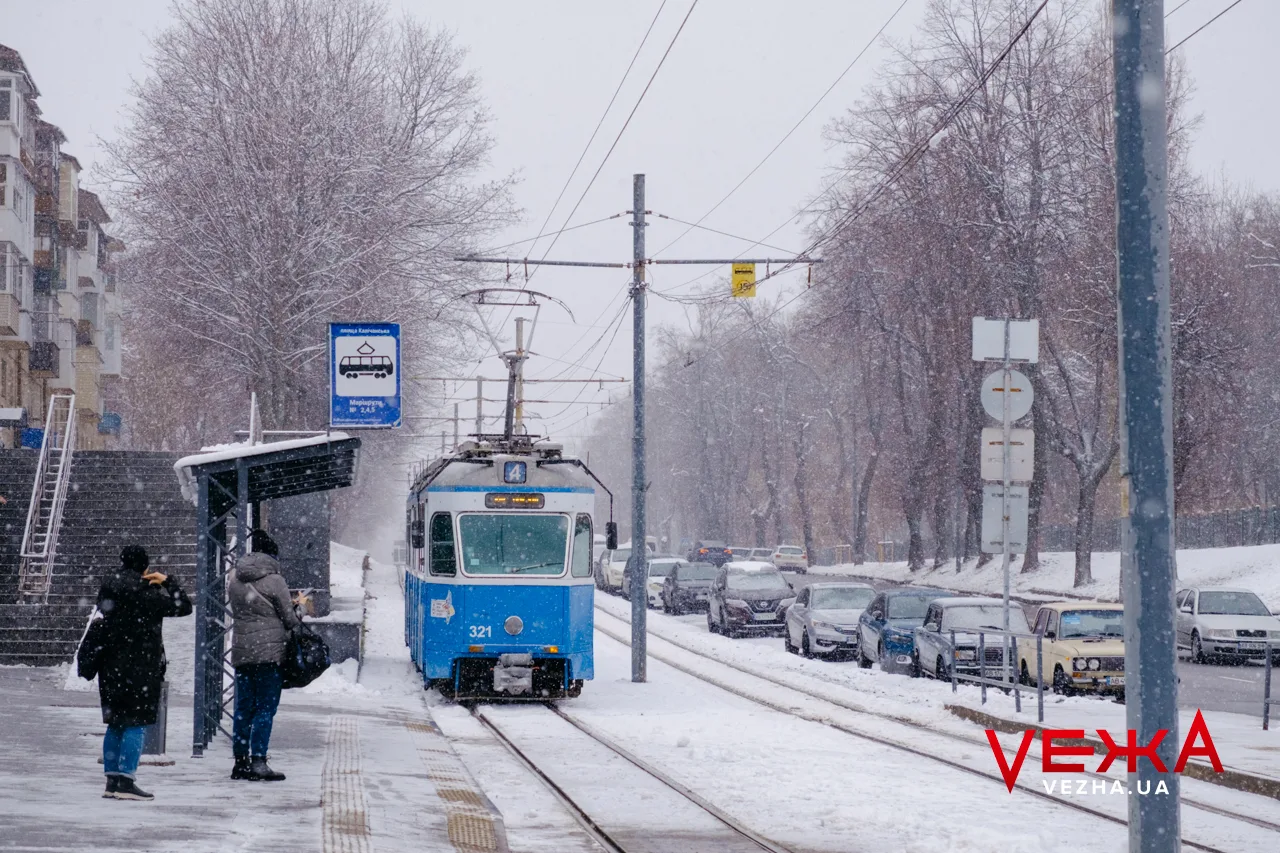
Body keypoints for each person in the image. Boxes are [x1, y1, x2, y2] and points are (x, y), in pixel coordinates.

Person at [95, 544, 192, 801]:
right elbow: (184, 607)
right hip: (140, 668)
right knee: (135, 725)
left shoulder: (108, 588)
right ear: (144, 567)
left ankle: (111, 780)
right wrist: (167, 581)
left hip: (110, 667)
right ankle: (127, 781)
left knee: (115, 724)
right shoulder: (147, 594)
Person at [228, 530, 301, 782]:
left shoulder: (235, 579)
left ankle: (240, 762)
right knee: (264, 709)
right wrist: (296, 607)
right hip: (269, 653)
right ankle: (259, 761)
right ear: (272, 555)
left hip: (242, 652)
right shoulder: (275, 580)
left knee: (243, 707)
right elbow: (289, 619)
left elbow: (242, 611)